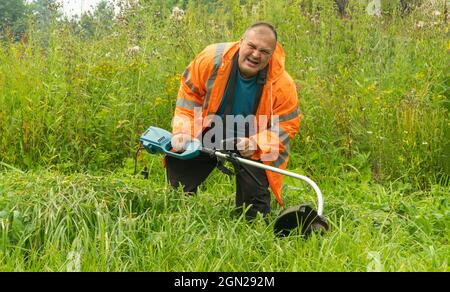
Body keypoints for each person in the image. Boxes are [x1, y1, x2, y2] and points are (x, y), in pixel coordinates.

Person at [166, 22, 300, 219]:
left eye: (264, 51)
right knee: (177, 185)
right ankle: (180, 208)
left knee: (255, 215)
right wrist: (183, 131)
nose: (256, 55)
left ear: (272, 55)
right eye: (252, 47)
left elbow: (286, 126)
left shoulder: (283, 85)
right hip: (210, 130)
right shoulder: (211, 59)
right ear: (241, 42)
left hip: (252, 140)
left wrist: (256, 143)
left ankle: (251, 213)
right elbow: (189, 96)